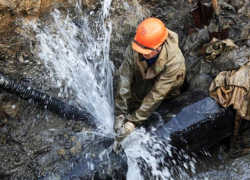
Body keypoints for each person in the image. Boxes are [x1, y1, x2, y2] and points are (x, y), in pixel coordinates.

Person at [114, 17, 186, 142]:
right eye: (140, 50)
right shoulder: (138, 45)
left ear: (159, 47)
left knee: (155, 109)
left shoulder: (174, 61)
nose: (142, 54)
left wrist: (133, 122)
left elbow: (157, 93)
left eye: (146, 51)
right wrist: (120, 112)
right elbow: (125, 77)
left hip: (166, 94)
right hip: (141, 83)